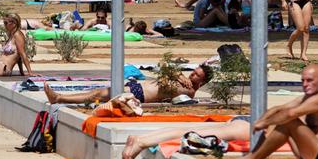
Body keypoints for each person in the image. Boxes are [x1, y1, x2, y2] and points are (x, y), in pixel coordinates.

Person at [225, 64, 318, 159]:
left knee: (288, 121)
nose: (305, 84)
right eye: (303, 81)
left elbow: (291, 114)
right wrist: (262, 121)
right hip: (314, 154)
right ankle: (252, 157)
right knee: (279, 118)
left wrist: (265, 123)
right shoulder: (309, 97)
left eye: (310, 80)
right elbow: (279, 108)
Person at [44, 65, 212, 105]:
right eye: (194, 71)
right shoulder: (183, 78)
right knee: (98, 92)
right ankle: (59, 97)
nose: (192, 74)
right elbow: (165, 66)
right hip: (138, 87)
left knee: (99, 95)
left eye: (196, 75)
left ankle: (59, 98)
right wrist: (179, 74)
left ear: (202, 82)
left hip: (140, 95)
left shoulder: (189, 93)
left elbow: (176, 101)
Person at [122, 116, 252, 159]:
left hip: (245, 121)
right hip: (248, 127)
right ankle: (141, 142)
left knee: (189, 131)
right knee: (191, 134)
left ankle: (141, 139)